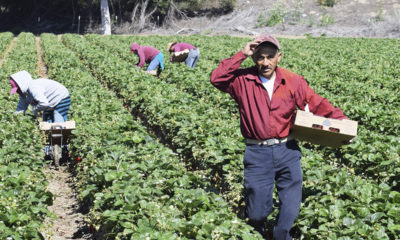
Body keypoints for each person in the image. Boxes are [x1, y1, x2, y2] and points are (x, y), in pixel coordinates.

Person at [210, 35, 347, 239]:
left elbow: (316, 103)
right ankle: (256, 231)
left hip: (287, 150)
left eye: (270, 57)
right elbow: (217, 78)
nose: (265, 62)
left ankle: (280, 236)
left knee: (289, 212)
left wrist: (342, 123)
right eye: (260, 57)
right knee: (257, 213)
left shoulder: (292, 81)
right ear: (254, 57)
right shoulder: (242, 80)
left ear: (279, 57)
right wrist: (241, 54)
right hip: (257, 152)